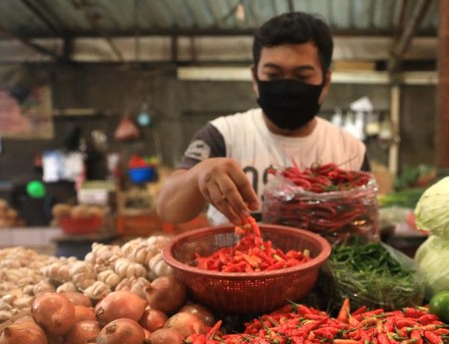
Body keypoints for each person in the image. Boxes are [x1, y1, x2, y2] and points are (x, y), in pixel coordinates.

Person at [157, 12, 369, 226]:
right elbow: (168, 210)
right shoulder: (222, 135)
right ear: (254, 78)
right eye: (273, 75)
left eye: (302, 77)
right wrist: (199, 175)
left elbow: (364, 222)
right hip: (236, 257)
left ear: (326, 81)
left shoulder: (350, 151)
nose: (286, 87)